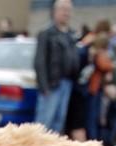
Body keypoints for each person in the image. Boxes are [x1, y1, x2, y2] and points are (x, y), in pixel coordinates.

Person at [34, 0, 80, 133]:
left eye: (68, 10)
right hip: (52, 85)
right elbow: (39, 62)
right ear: (55, 11)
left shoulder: (71, 35)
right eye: (63, 9)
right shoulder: (47, 34)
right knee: (44, 122)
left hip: (67, 83)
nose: (66, 13)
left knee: (58, 122)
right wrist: (44, 86)